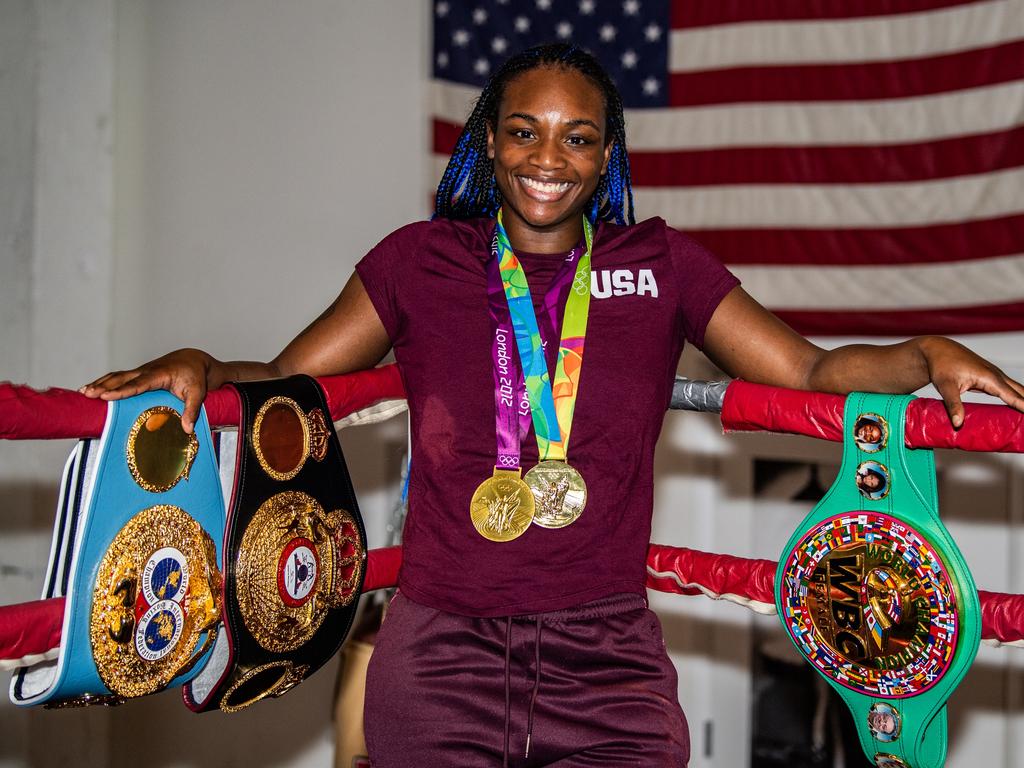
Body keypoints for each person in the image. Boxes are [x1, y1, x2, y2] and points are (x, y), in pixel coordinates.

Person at [82, 44, 1024, 767]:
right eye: (525, 130)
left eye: (577, 137)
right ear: (489, 140)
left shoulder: (661, 267)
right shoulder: (419, 261)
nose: (548, 157)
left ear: (605, 153)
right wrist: (205, 364)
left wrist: (925, 354)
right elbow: (294, 377)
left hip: (606, 655)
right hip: (440, 655)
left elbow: (809, 374)